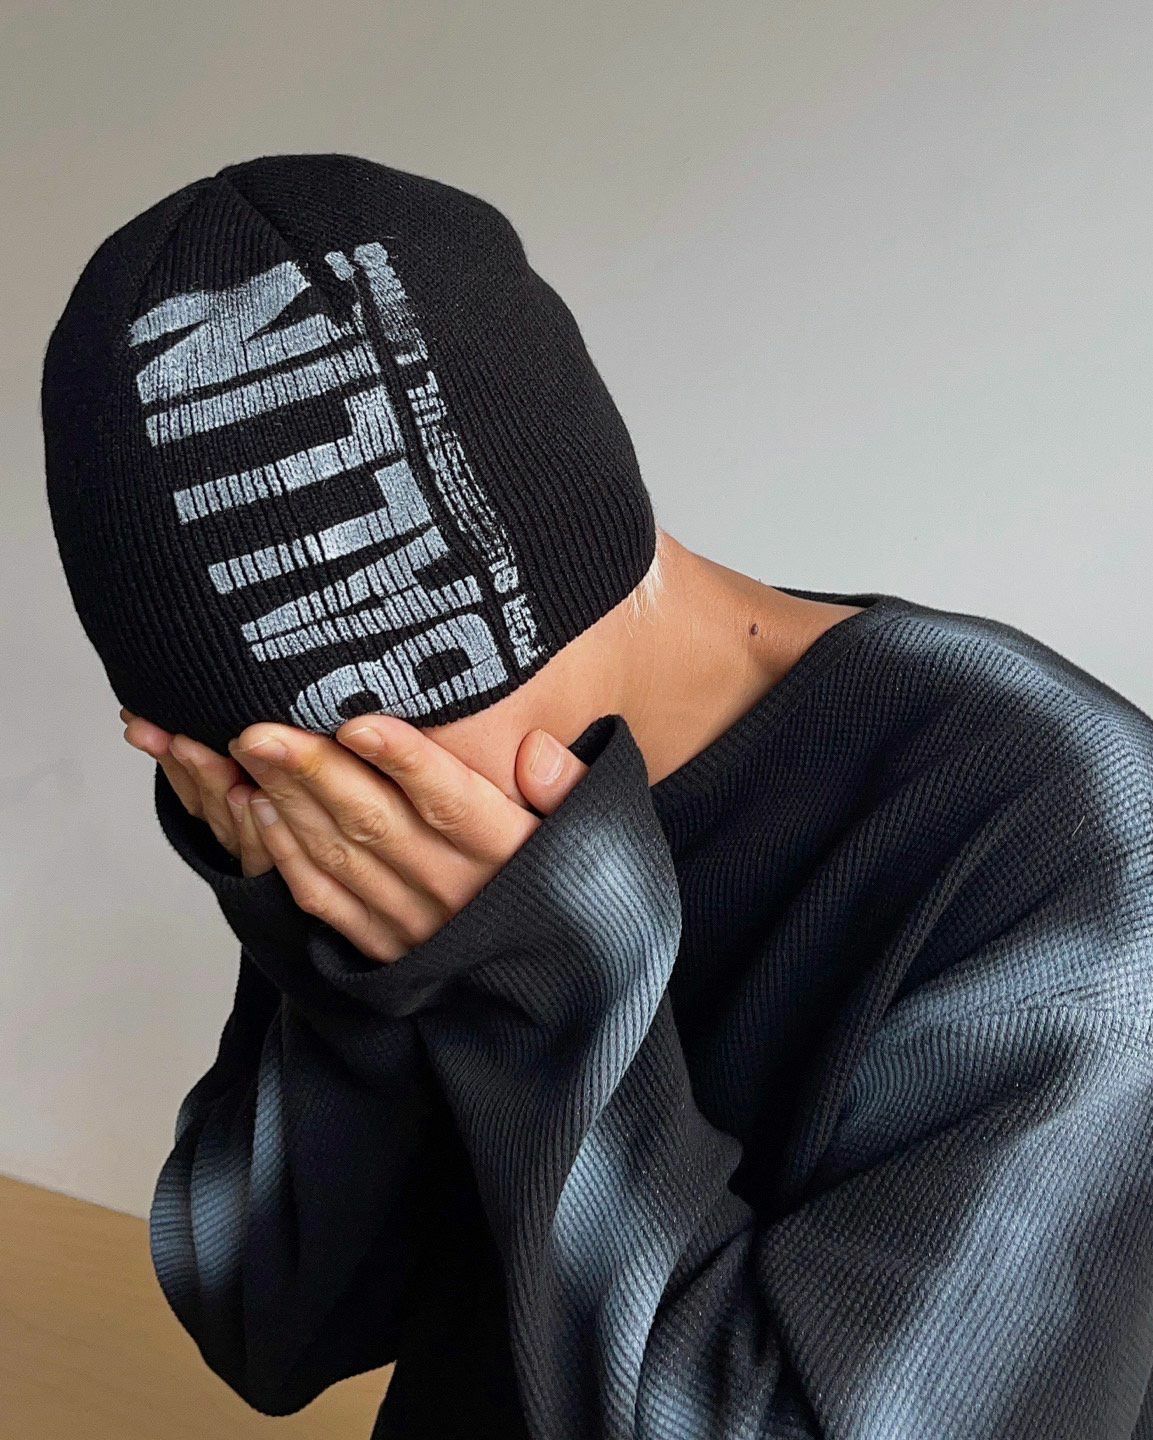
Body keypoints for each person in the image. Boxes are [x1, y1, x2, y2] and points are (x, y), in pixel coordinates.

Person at [42, 154, 1153, 1440]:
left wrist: (553, 1000)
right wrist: (343, 975)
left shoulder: (1077, 859)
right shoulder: (390, 827)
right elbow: (266, 1323)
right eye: (236, 777)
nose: (314, 812)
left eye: (339, 749)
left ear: (543, 579)